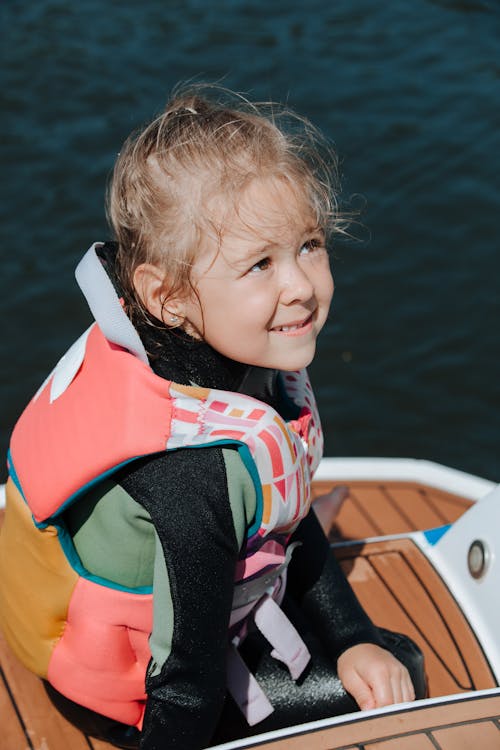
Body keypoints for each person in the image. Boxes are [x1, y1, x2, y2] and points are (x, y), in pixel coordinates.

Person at [0, 85, 425, 750]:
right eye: (260, 263)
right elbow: (186, 686)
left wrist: (351, 638)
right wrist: (370, 647)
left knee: (370, 655)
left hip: (106, 632)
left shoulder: (184, 366)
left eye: (309, 245)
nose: (301, 286)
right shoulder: (194, 469)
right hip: (135, 695)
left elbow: (286, 508)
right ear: (165, 296)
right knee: (407, 666)